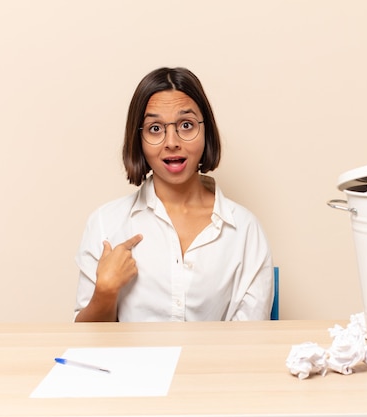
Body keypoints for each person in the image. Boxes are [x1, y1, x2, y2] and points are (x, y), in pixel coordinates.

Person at [74, 67, 274, 322]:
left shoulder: (245, 230)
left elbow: (251, 341)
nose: (171, 142)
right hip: (132, 364)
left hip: (215, 363)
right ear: (139, 140)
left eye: (186, 125)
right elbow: (83, 344)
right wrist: (106, 290)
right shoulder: (105, 223)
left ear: (206, 131)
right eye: (155, 128)